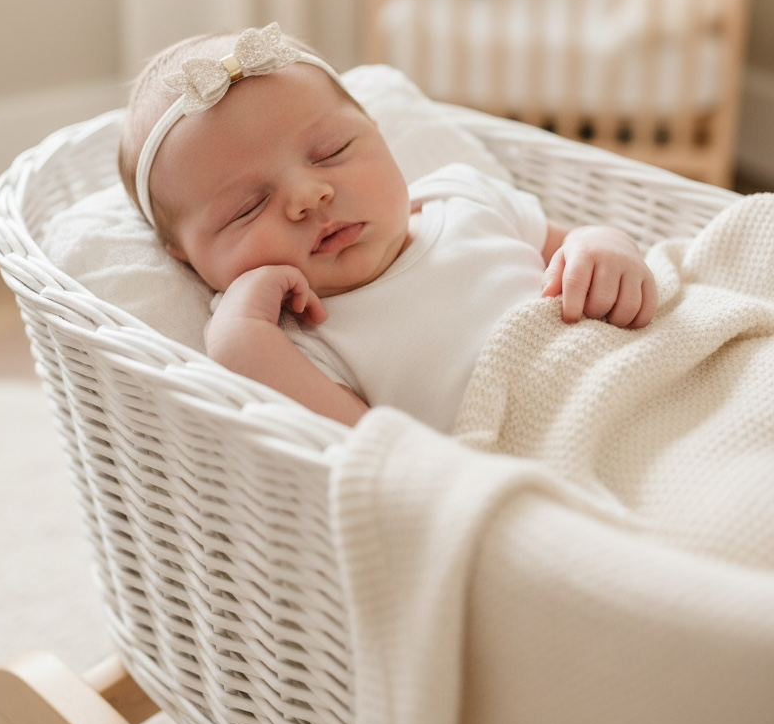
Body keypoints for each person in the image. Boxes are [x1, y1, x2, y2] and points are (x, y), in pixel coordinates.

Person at [119, 23, 658, 431]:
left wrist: (605, 247)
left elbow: (576, 241)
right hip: (543, 443)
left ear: (377, 135)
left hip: (641, 373)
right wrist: (240, 335)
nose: (309, 196)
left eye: (331, 152)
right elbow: (362, 448)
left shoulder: (460, 195)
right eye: (246, 207)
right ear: (185, 256)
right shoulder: (301, 337)